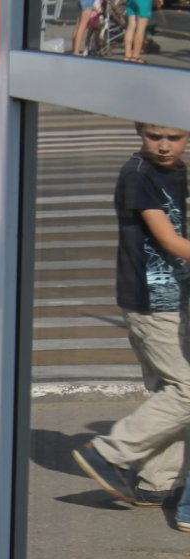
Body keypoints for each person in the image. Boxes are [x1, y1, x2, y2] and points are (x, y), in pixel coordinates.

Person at [73, 124, 190, 524]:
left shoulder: (178, 171)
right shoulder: (138, 174)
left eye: (174, 137)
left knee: (168, 391)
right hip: (151, 302)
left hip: (174, 298)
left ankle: (157, 482)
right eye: (154, 135)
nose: (163, 145)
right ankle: (107, 453)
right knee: (186, 391)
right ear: (139, 130)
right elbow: (170, 241)